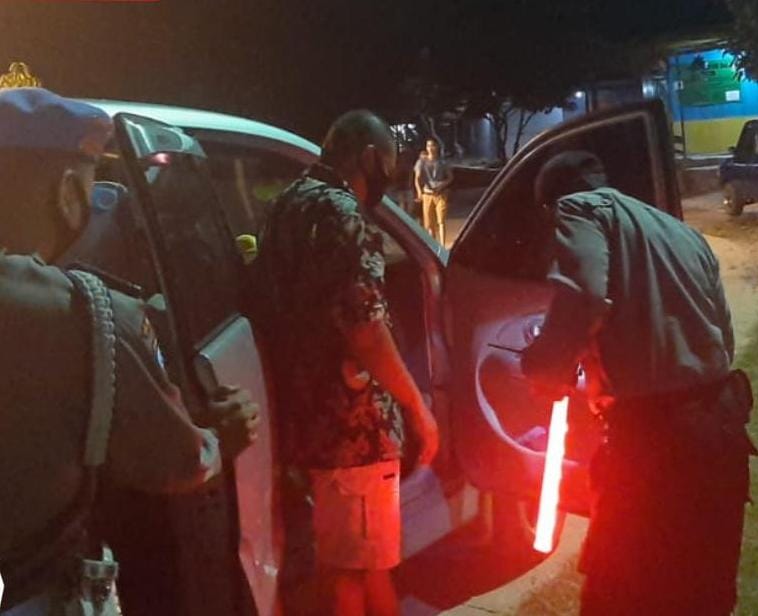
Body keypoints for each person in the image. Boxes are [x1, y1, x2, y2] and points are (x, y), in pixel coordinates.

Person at [0, 88, 260, 615]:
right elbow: (180, 462)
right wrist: (222, 436)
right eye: (91, 186)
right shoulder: (87, 316)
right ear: (68, 194)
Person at [520, 151, 756, 615]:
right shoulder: (683, 233)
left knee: (617, 593)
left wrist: (546, 367)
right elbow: (722, 340)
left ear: (551, 206)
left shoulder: (579, 209)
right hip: (720, 433)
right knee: (702, 594)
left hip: (652, 445)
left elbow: (586, 295)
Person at [257, 110, 439, 616]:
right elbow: (365, 327)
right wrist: (417, 407)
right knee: (349, 572)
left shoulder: (287, 205)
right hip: (353, 429)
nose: (390, 175)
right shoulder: (342, 212)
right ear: (369, 158)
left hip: (305, 416)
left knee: (364, 561)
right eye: (390, 163)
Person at [413, 138, 453, 244]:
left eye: (432, 146)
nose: (430, 148)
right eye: (428, 146)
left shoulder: (442, 162)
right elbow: (417, 178)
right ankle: (433, 244)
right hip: (427, 194)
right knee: (429, 223)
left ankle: (442, 244)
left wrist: (442, 185)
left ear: (437, 147)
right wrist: (419, 192)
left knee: (441, 221)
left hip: (440, 193)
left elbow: (450, 177)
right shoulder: (421, 162)